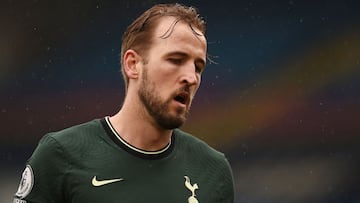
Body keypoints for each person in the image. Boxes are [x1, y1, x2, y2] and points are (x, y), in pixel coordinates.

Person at [14, 3, 235, 203]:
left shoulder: (213, 171)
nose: (191, 77)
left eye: (198, 67)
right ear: (133, 64)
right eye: (175, 60)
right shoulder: (61, 155)